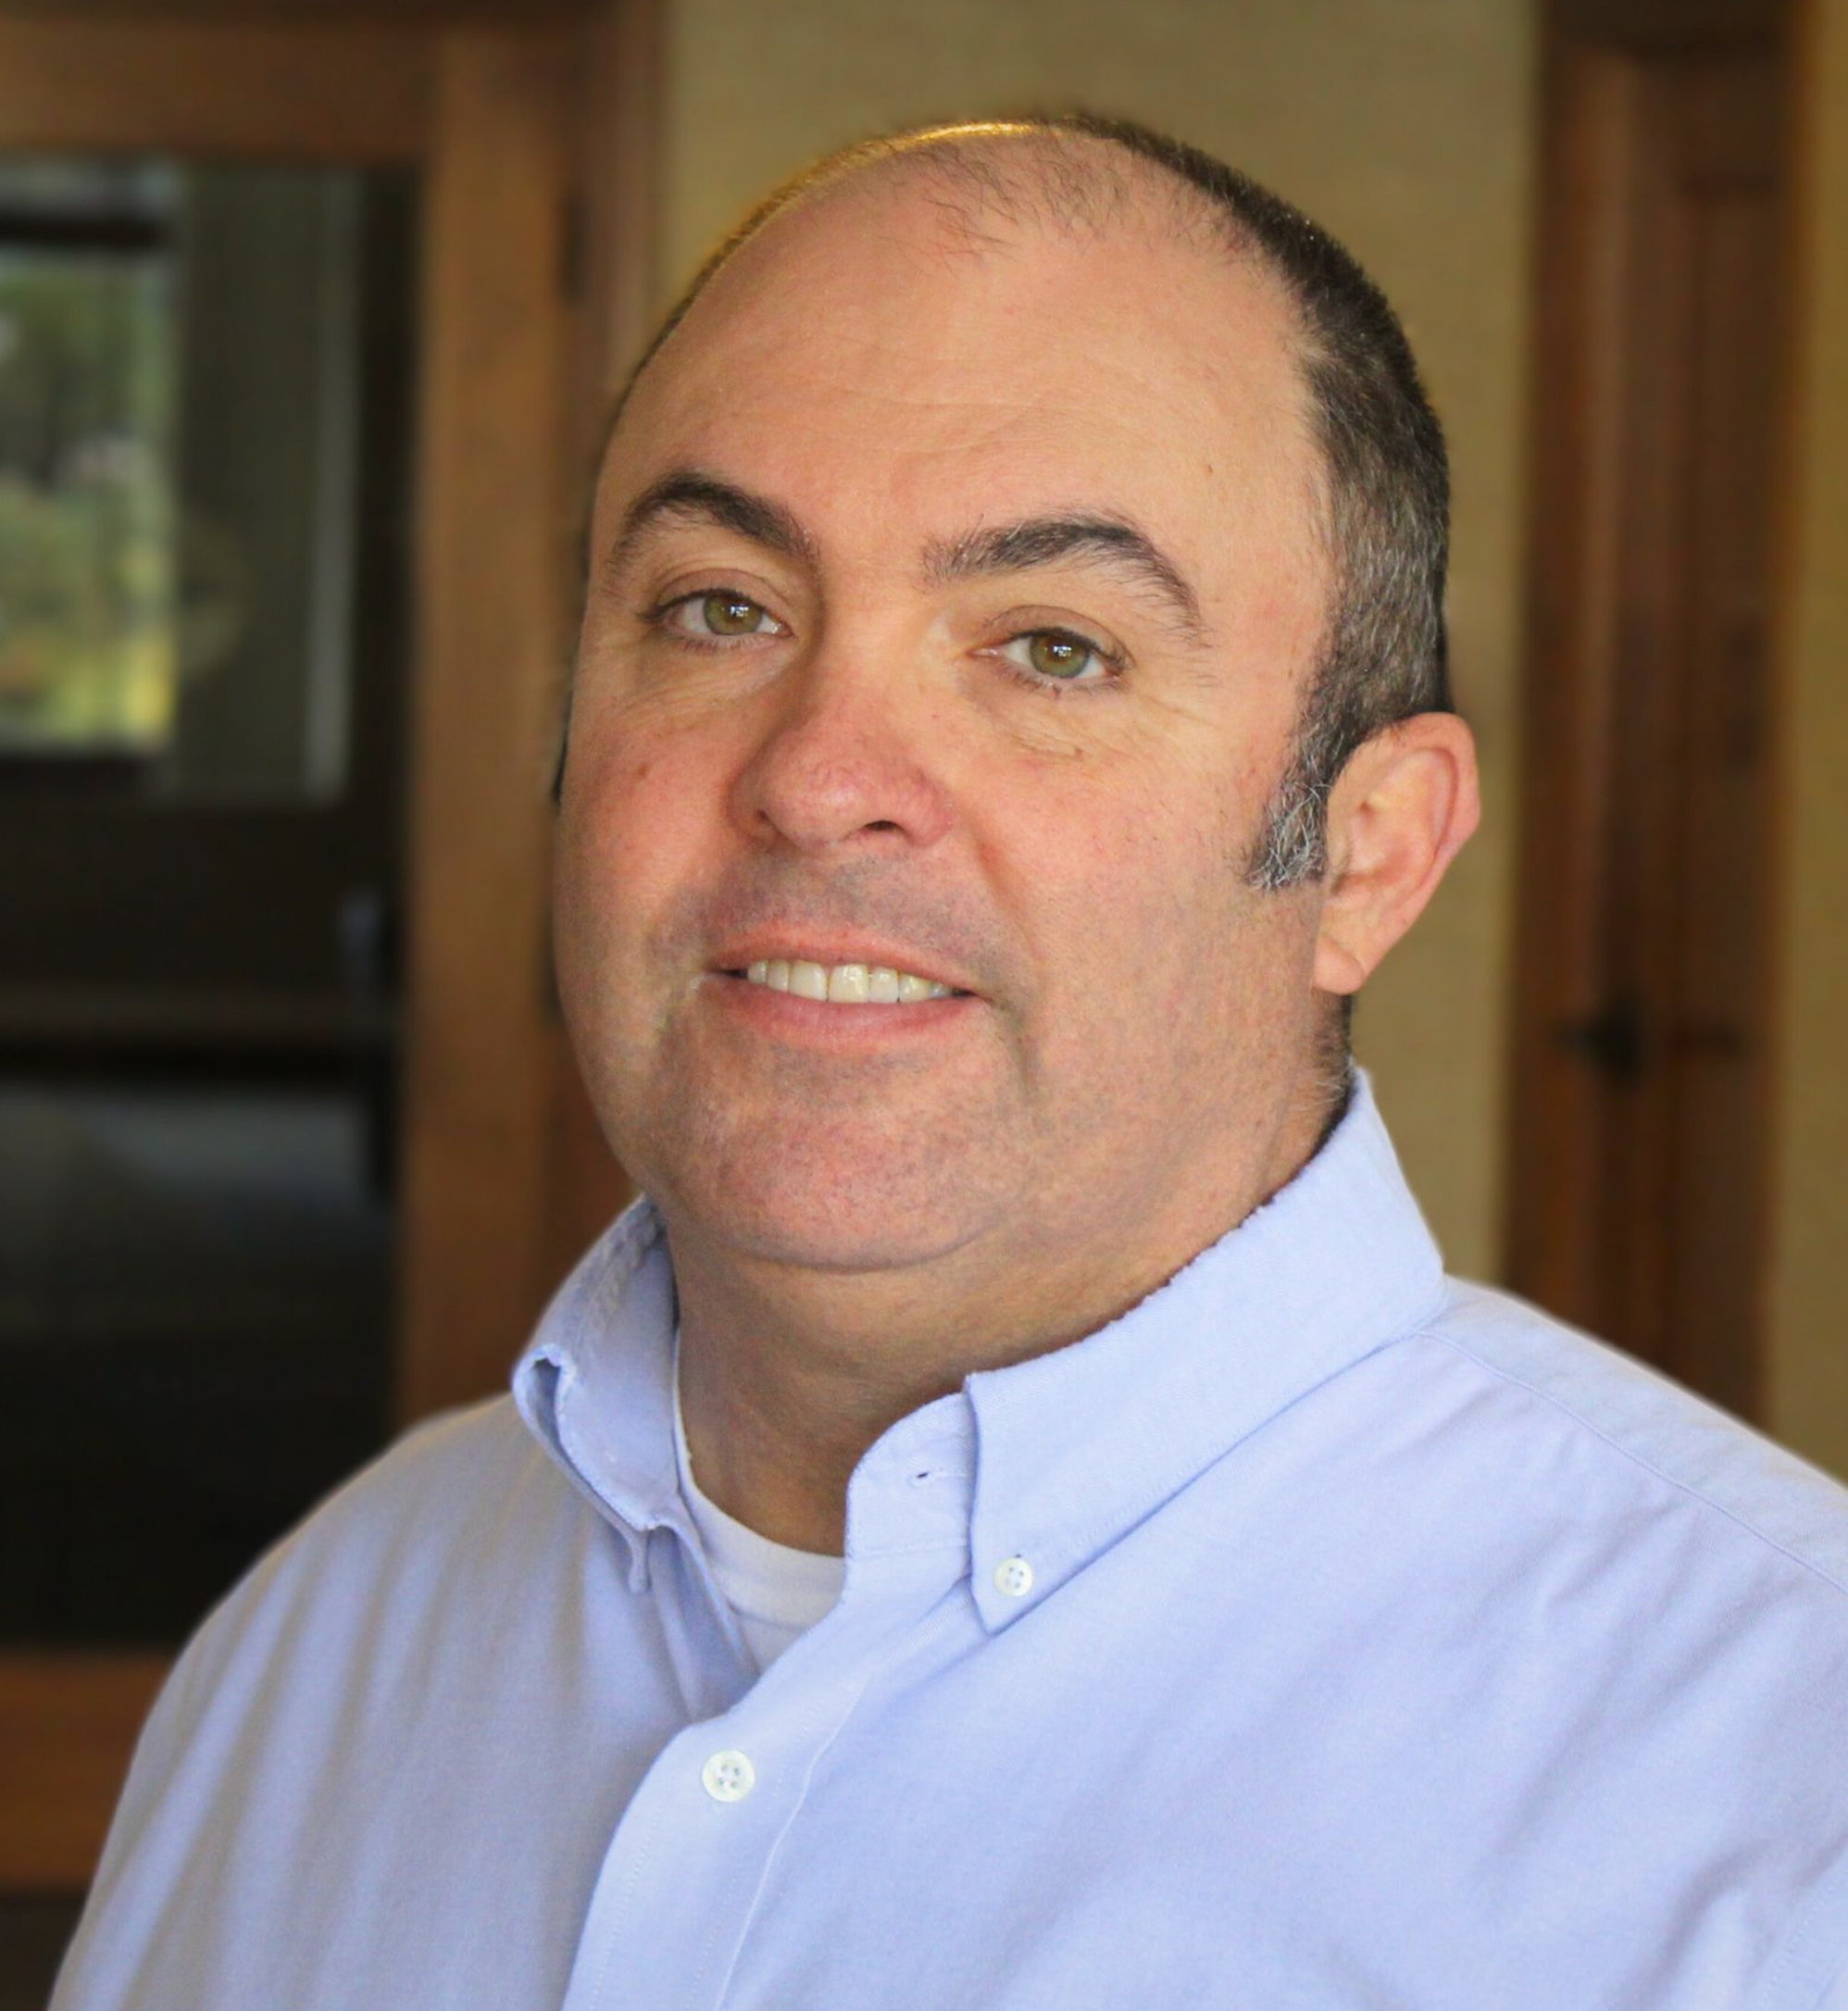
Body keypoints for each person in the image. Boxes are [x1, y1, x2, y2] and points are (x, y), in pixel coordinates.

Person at [54, 116, 1848, 2011]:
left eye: (1049, 649)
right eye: (718, 608)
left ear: (1365, 851)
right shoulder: (327, 1628)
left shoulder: (1770, 1792)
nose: (820, 777)